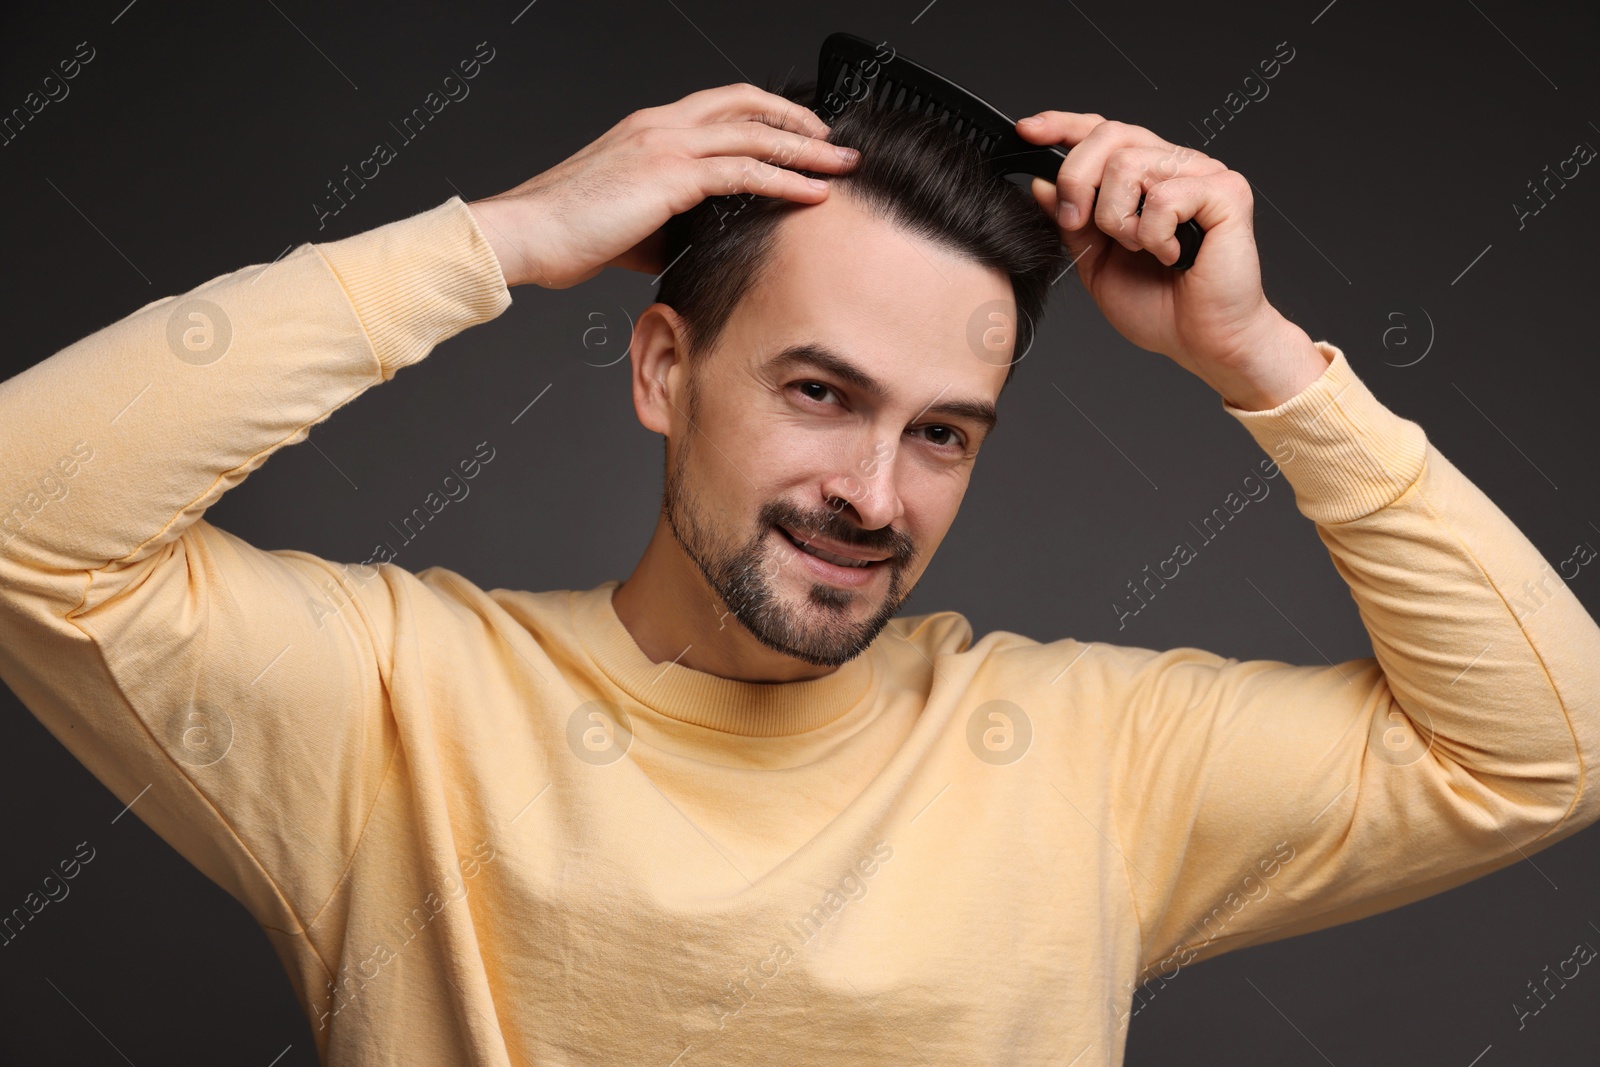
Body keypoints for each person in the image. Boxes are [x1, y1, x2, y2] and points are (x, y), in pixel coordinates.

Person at [1, 72, 1596, 1066]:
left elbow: (1553, 749)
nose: (871, 494)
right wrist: (495, 238)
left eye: (944, 433)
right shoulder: (392, 705)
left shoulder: (1096, 760)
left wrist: (1259, 360)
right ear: (661, 371)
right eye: (820, 393)